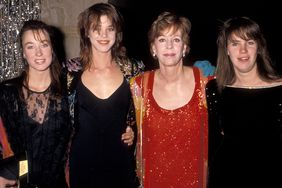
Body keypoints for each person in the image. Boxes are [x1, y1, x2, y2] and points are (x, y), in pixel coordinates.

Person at [64, 3, 144, 188]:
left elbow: (145, 114)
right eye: (97, 29)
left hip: (121, 165)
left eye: (110, 29)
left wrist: (133, 129)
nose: (104, 35)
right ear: (86, 32)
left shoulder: (133, 69)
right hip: (82, 166)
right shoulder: (69, 71)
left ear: (117, 33)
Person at [130, 11, 211, 188]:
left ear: (184, 47)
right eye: (161, 40)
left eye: (176, 39)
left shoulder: (206, 83)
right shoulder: (138, 86)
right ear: (153, 48)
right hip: (153, 182)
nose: (169, 46)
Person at [206, 16, 282, 188]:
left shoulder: (279, 89)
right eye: (235, 43)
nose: (243, 50)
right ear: (226, 49)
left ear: (259, 47)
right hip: (226, 177)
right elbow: (213, 144)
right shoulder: (215, 89)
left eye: (249, 42)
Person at [0, 20, 72, 188]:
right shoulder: (7, 92)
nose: (39, 52)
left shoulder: (70, 91)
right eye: (30, 46)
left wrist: (128, 128)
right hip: (23, 181)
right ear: (24, 52)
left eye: (44, 44)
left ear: (52, 48)